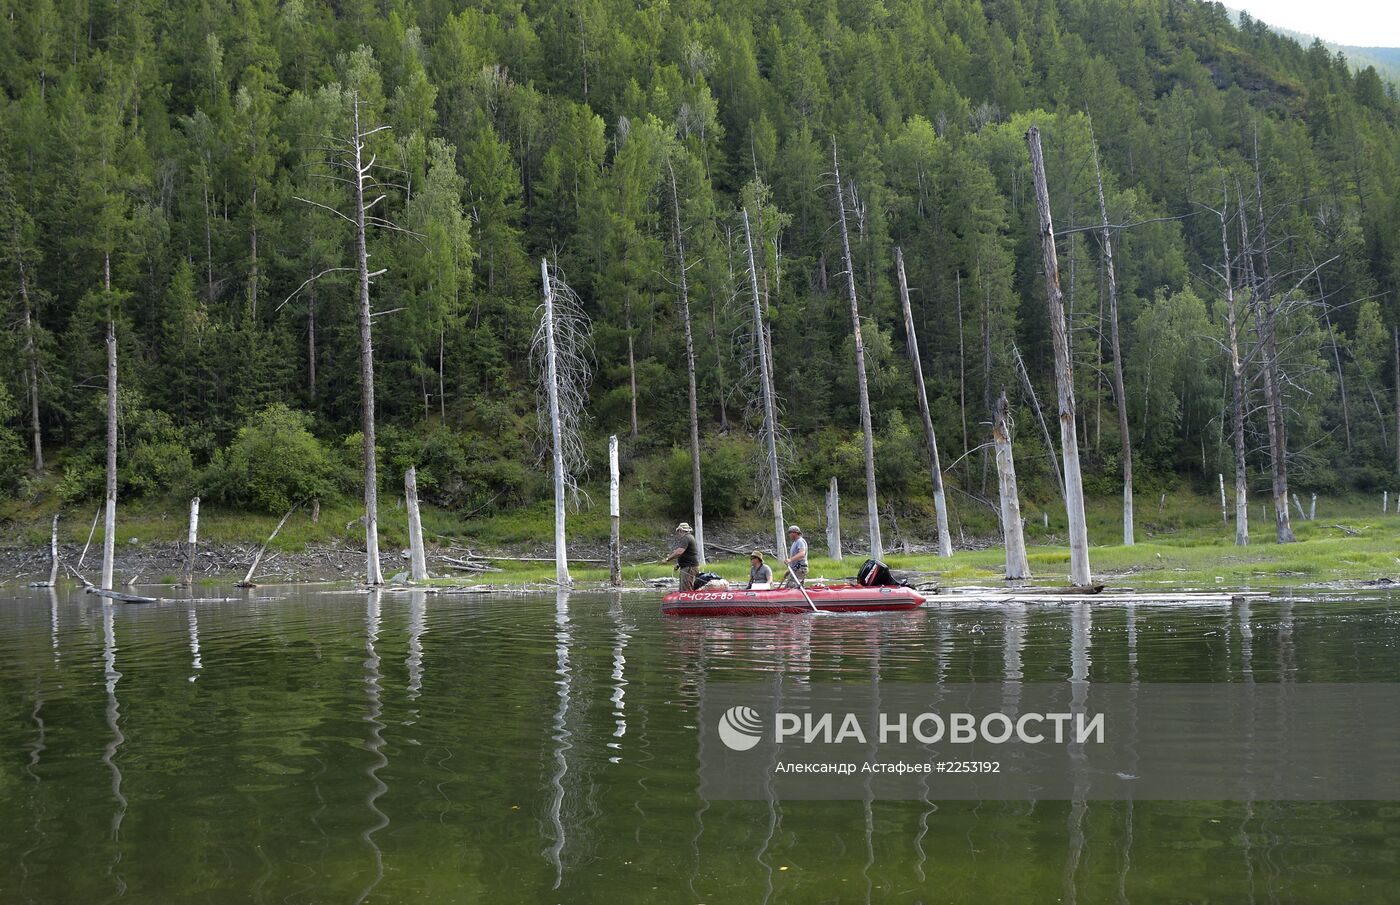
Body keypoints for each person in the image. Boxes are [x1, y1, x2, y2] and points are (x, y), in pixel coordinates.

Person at [662, 522, 700, 591]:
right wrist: (678, 564)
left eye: (678, 531)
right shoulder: (689, 537)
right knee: (685, 588)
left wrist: (667, 559)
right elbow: (687, 553)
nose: (678, 533)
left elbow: (679, 552)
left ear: (680, 530)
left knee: (686, 590)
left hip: (689, 568)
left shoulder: (686, 538)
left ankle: (687, 602)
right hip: (689, 567)